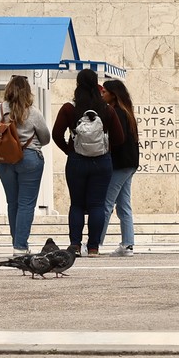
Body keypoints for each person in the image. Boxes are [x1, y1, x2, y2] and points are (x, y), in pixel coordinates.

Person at [53, 68, 119, 256]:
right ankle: (93, 247)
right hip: (102, 162)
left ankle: (75, 245)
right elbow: (120, 137)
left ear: (78, 85)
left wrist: (69, 150)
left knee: (77, 205)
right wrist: (105, 149)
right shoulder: (107, 109)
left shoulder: (69, 108)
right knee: (97, 205)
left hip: (77, 161)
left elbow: (56, 134)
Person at [0, 75, 52, 256]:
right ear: (28, 91)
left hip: (5, 159)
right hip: (30, 158)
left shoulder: (0, 109)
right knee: (26, 204)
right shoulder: (33, 112)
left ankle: (17, 243)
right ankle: (20, 246)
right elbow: (46, 138)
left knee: (13, 202)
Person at [101, 78, 140, 256]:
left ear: (113, 95)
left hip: (120, 163)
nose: (102, 94)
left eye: (104, 92)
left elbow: (118, 140)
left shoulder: (117, 112)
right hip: (128, 163)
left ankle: (95, 242)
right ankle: (127, 244)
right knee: (123, 204)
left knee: (106, 204)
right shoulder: (126, 111)